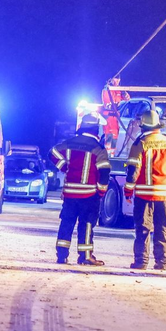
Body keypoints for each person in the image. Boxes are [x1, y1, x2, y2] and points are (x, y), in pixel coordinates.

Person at [124, 111, 166, 270]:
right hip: (163, 195)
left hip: (144, 195)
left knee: (143, 228)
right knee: (162, 227)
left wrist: (128, 191)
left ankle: (141, 261)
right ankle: (162, 261)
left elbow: (133, 171)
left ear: (143, 125)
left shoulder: (140, 143)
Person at [49, 113, 110, 265]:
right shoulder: (98, 148)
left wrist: (64, 167)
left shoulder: (69, 143)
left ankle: (62, 255)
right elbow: (104, 171)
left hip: (70, 193)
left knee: (66, 223)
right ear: (96, 128)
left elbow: (52, 153)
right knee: (87, 224)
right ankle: (85, 256)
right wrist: (101, 190)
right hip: (89, 194)